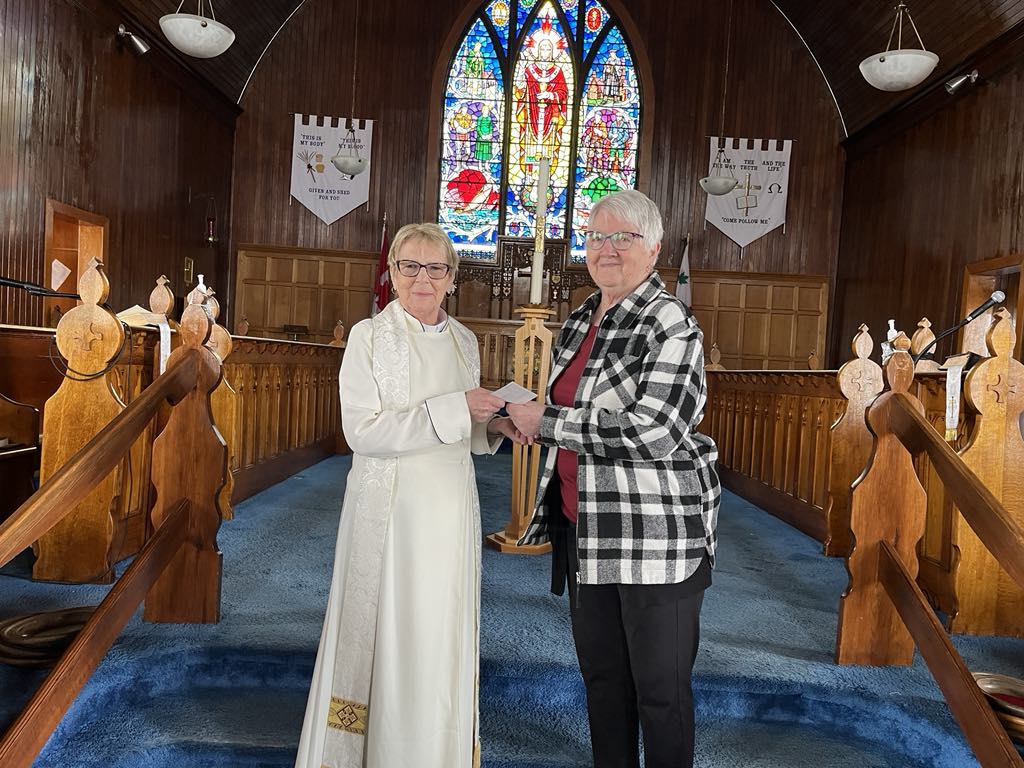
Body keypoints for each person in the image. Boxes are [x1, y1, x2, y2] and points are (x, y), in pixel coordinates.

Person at [294, 222, 525, 768]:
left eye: (436, 268)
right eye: (409, 266)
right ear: (392, 273)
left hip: (449, 511)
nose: (423, 278)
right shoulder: (369, 338)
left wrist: (495, 428)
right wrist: (456, 409)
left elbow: (464, 432)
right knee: (390, 630)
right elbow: (364, 433)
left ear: (452, 277)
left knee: (438, 629)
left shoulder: (465, 340)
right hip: (390, 515)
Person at [507, 190, 720, 768]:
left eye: (621, 237)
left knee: (661, 692)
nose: (606, 249)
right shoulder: (582, 317)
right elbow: (573, 410)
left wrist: (549, 422)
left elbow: (656, 432)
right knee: (603, 680)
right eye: (596, 237)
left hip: (654, 538)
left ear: (652, 248)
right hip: (586, 527)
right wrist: (533, 425)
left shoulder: (671, 323)